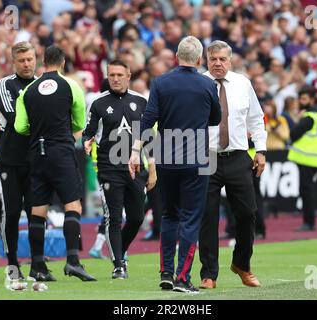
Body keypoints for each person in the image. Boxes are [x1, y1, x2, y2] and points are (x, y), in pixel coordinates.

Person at [129, 36, 222, 293]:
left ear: (176, 57)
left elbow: (148, 120)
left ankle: (166, 273)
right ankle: (183, 278)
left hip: (167, 159)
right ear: (200, 59)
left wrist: (136, 150)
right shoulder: (207, 85)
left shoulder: (160, 83)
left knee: (169, 215)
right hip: (196, 160)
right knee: (191, 219)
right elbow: (216, 118)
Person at [14, 45, 96, 282]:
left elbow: (20, 127)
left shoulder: (28, 90)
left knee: (38, 209)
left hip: (36, 153)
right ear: (62, 62)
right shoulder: (71, 85)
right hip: (61, 150)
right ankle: (72, 262)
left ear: (42, 62)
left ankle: (38, 266)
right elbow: (80, 121)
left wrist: (38, 130)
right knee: (73, 205)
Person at [198, 40, 267, 290]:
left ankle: (242, 264)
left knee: (248, 213)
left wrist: (260, 150)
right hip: (206, 157)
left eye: (222, 59)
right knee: (207, 217)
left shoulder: (243, 84)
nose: (218, 63)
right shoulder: (199, 84)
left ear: (230, 61)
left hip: (238, 155)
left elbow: (256, 119)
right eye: (213, 59)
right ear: (206, 60)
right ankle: (209, 274)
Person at [83, 60, 156, 279]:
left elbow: (149, 138)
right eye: (111, 74)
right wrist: (87, 141)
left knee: (136, 218)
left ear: (128, 75)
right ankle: (118, 264)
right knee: (113, 217)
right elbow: (89, 131)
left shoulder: (141, 101)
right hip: (108, 167)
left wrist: (152, 169)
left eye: (119, 74)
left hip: (135, 168)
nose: (114, 78)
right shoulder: (98, 102)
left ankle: (119, 252)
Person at [0, 41, 36, 280]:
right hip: (9, 161)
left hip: (35, 162)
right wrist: (42, 124)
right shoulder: (5, 84)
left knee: (35, 213)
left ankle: (37, 264)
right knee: (10, 213)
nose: (27, 64)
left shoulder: (43, 85)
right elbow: (13, 118)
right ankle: (12, 265)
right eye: (22, 60)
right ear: (14, 62)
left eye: (30, 59)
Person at [288, 86, 317, 231]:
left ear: (311, 100)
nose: (301, 101)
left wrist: (297, 119)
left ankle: (308, 223)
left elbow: (293, 134)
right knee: (308, 191)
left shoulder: (309, 117)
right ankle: (309, 222)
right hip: (314, 159)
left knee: (306, 192)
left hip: (307, 158)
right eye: (300, 98)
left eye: (304, 99)